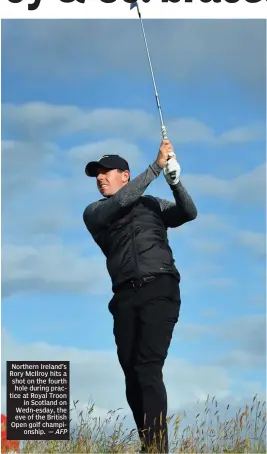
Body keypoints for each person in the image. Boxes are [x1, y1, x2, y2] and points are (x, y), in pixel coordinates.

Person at [83, 139, 197, 453]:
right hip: (123, 299)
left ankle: (158, 448)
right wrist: (156, 168)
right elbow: (121, 203)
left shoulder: (152, 205)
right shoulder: (95, 212)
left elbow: (189, 212)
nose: (100, 178)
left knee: (147, 367)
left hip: (159, 287)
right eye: (97, 174)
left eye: (106, 172)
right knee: (132, 376)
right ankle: (150, 445)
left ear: (125, 174)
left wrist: (175, 182)